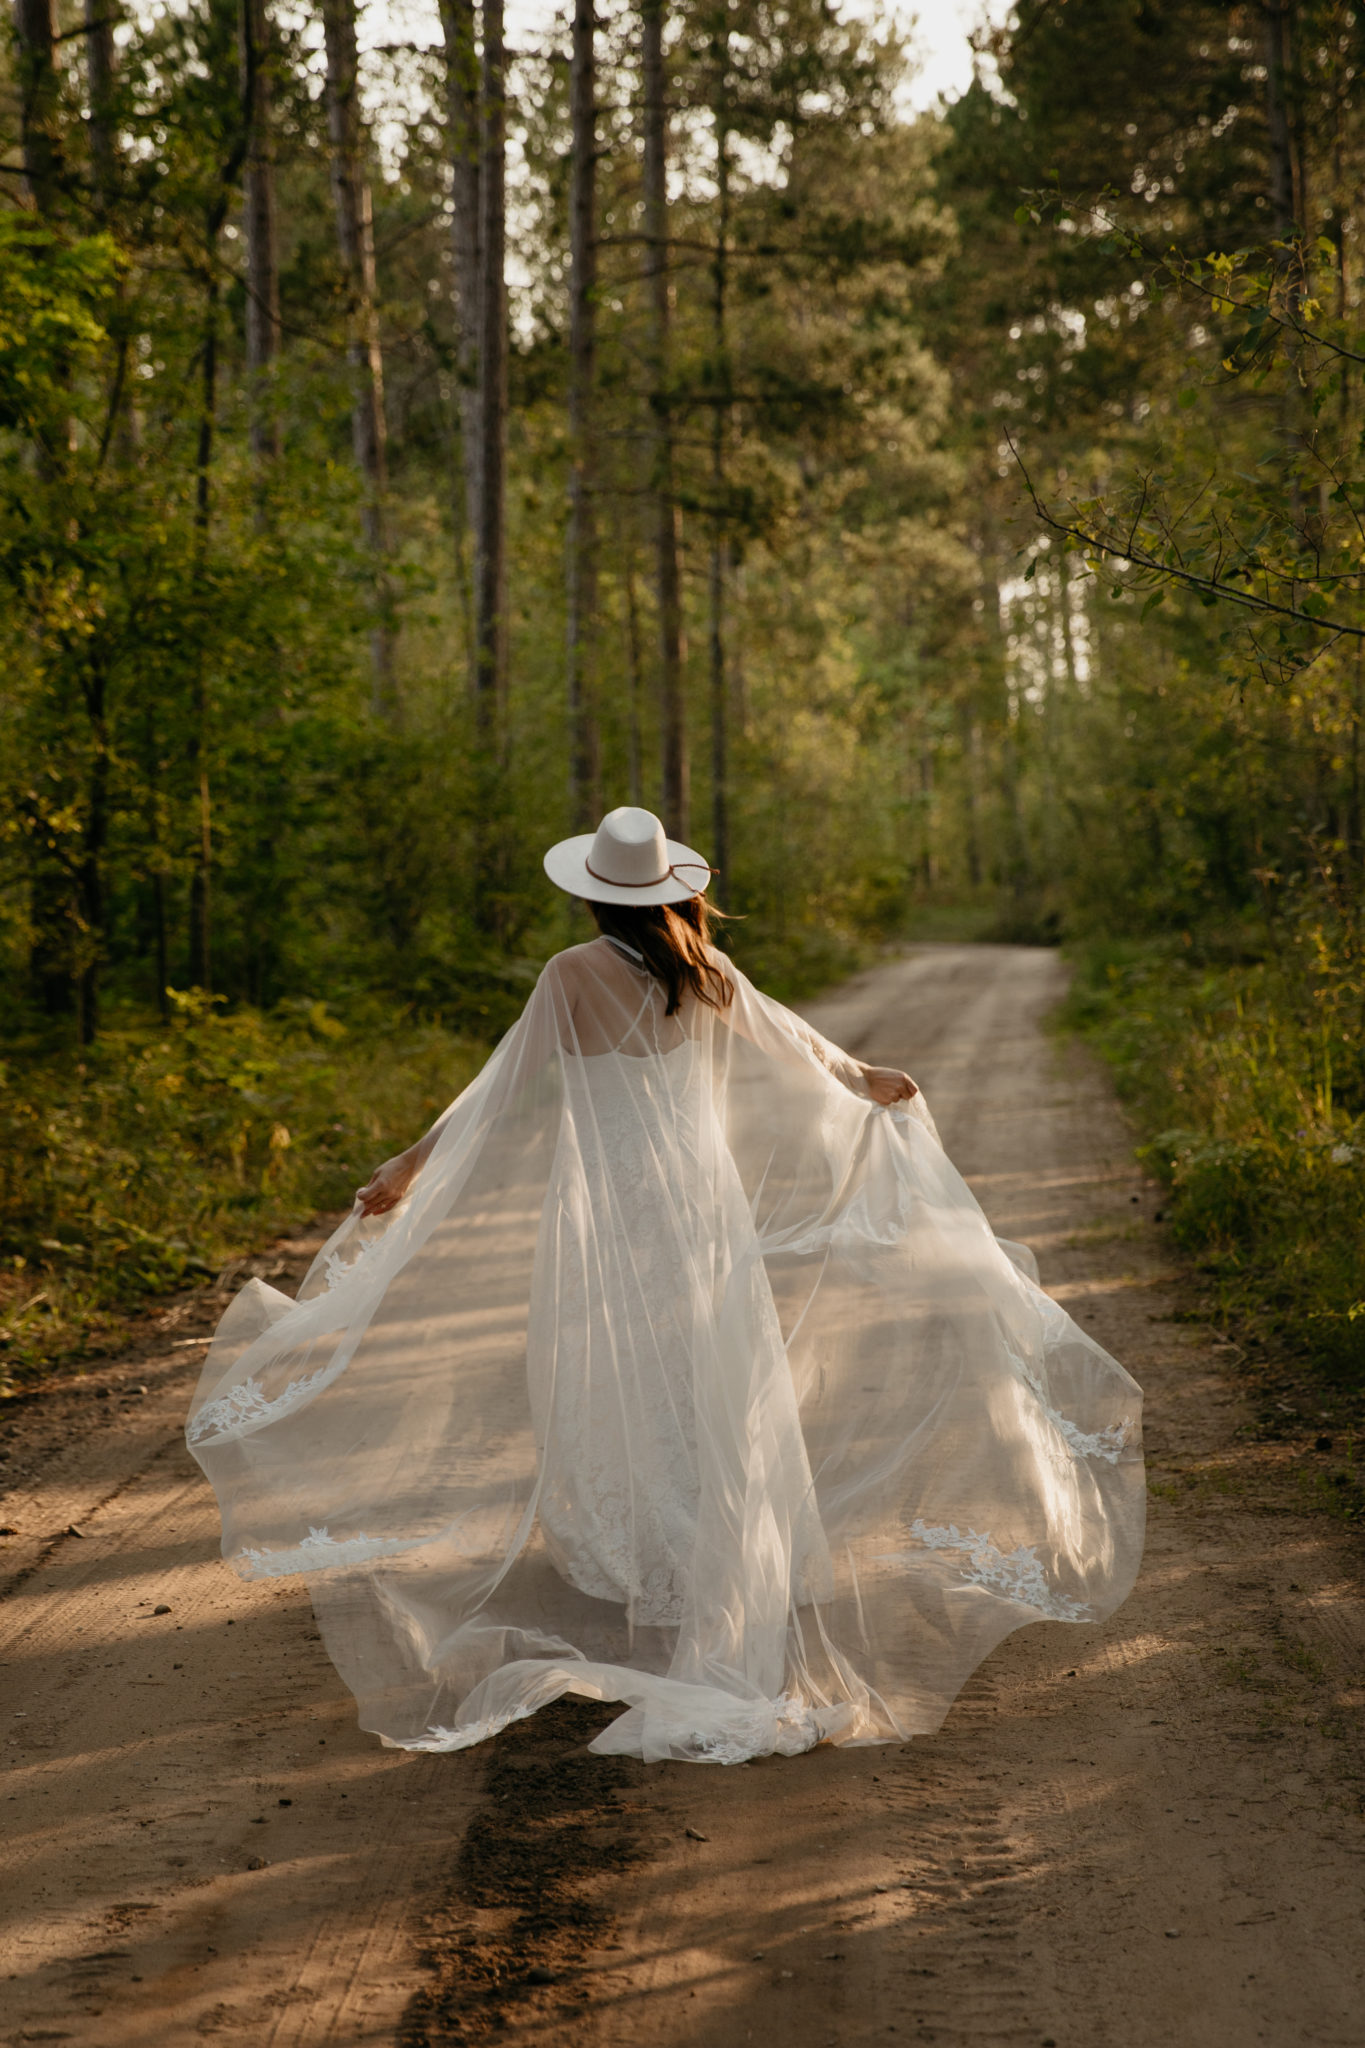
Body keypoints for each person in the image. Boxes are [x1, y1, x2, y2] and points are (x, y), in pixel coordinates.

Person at [187, 806, 1144, 1765]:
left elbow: (496, 1088)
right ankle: (715, 1539)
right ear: (674, 890)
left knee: (613, 1364)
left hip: (605, 1213)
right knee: (708, 1364)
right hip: (698, 1209)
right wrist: (864, 1077)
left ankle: (641, 1549)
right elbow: (799, 1045)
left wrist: (406, 1166)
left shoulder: (570, 975)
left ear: (593, 893)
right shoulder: (705, 972)